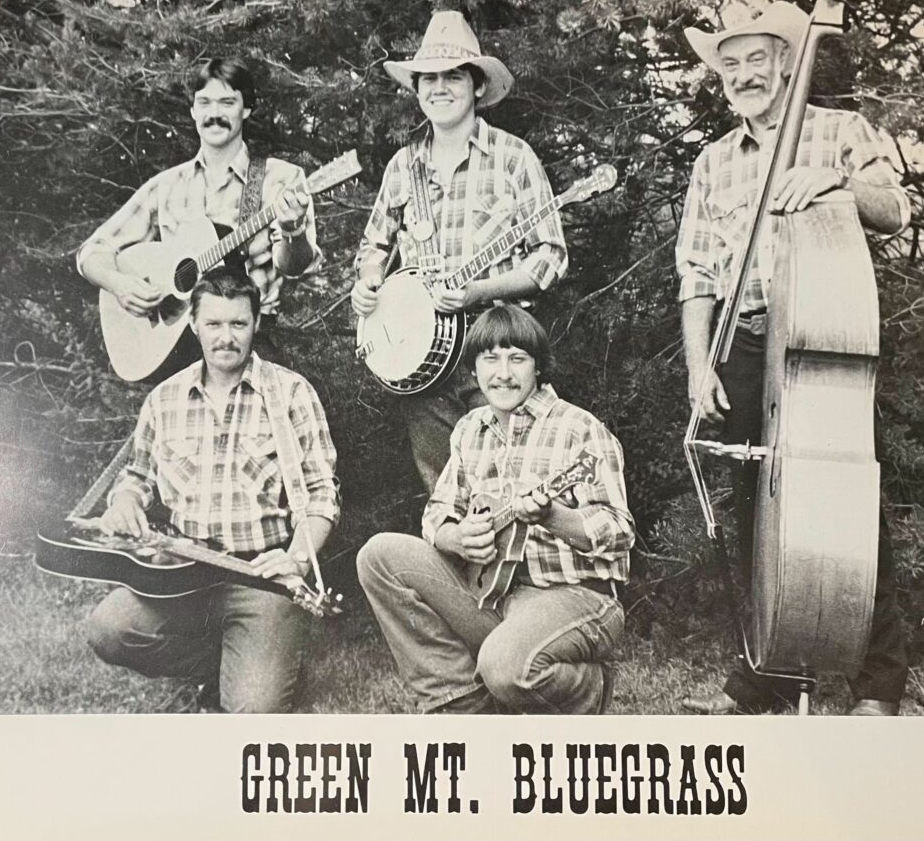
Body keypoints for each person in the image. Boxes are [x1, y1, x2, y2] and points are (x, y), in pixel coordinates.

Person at [675, 1, 911, 716]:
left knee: (851, 505)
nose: (744, 74)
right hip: (745, 341)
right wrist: (699, 366)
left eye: (757, 59)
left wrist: (840, 184)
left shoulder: (838, 131)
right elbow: (697, 275)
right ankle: (767, 677)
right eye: (730, 63)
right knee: (757, 509)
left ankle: (877, 686)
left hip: (824, 332)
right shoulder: (713, 162)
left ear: (786, 63)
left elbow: (895, 207)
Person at [84, 270, 341, 713]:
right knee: (109, 628)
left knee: (253, 711)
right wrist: (125, 501)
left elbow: (322, 494)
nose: (226, 337)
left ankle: (260, 662)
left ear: (256, 324)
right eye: (215, 324)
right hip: (181, 571)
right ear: (193, 325)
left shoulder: (291, 393)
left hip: (262, 576)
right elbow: (137, 476)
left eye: (238, 324)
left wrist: (298, 557)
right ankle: (217, 663)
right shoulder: (165, 399)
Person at [357, 306, 633, 714]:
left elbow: (619, 529)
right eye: (490, 358)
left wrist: (553, 516)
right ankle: (463, 704)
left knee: (505, 666)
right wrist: (459, 538)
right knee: (379, 556)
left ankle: (588, 689)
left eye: (517, 358)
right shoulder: (470, 429)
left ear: (538, 367)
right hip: (496, 593)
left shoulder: (580, 429)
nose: (503, 372)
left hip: (577, 598)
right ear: (473, 369)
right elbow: (437, 514)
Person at [351, 10, 568, 492]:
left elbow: (550, 256)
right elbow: (374, 247)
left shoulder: (513, 158)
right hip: (423, 363)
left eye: (453, 76)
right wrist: (366, 284)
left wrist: (479, 290)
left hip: (496, 346)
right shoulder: (402, 167)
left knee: (512, 482)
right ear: (417, 89)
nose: (440, 87)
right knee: (445, 491)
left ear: (476, 87)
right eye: (429, 78)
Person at [78, 57, 321, 369]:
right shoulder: (164, 187)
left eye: (227, 102)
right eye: (204, 102)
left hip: (251, 347)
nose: (214, 114)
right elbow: (91, 252)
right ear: (193, 110)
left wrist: (292, 229)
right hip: (176, 353)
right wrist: (119, 284)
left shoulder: (281, 179)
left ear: (246, 109)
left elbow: (294, 266)